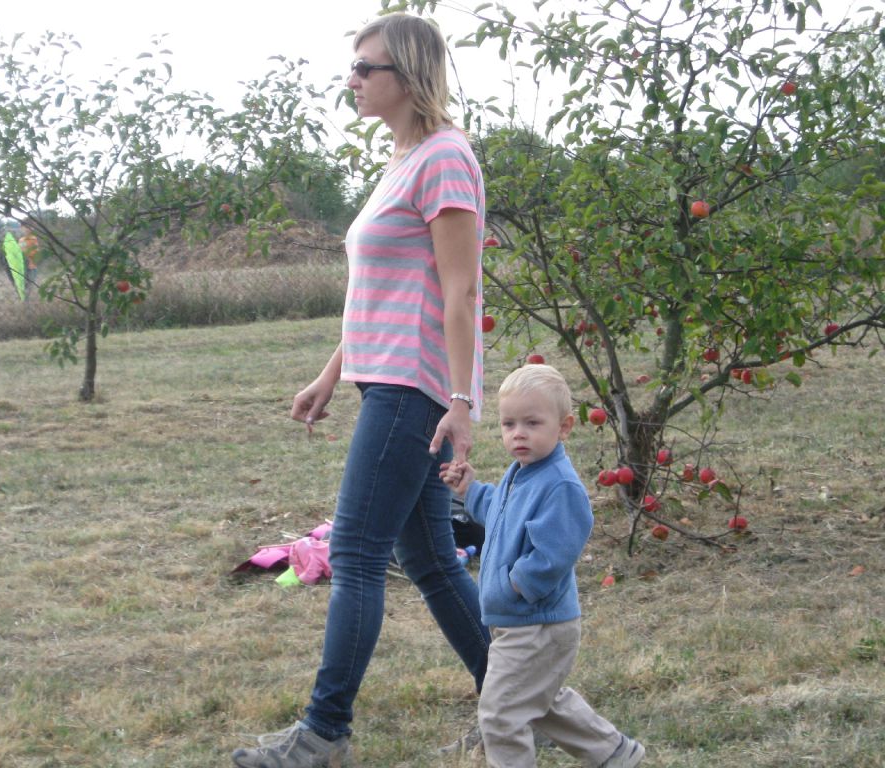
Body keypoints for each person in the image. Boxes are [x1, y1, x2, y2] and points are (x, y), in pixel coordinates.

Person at [231, 12, 491, 768]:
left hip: (415, 388)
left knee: (355, 549)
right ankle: (521, 703)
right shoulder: (404, 159)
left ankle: (324, 733)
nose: (351, 80)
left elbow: (459, 290)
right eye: (352, 65)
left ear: (408, 75)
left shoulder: (445, 158)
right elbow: (389, 290)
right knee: (433, 562)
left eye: (365, 67)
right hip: (388, 378)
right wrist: (331, 371)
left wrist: (462, 401)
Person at [440, 364, 646, 768]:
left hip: (537, 624)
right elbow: (501, 510)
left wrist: (516, 585)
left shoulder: (559, 485)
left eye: (532, 423)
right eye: (509, 424)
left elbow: (555, 553)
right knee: (540, 700)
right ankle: (614, 753)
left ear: (563, 427)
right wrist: (470, 491)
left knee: (500, 714)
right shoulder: (522, 473)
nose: (518, 433)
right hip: (517, 619)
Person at [19, 225, 39, 299]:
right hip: (23, 266)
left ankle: (26, 298)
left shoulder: (34, 239)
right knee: (24, 284)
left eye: (28, 228)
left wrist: (27, 254)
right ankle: (24, 298)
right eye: (24, 228)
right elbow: (20, 251)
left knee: (30, 283)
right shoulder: (21, 240)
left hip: (32, 266)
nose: (26, 230)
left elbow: (36, 251)